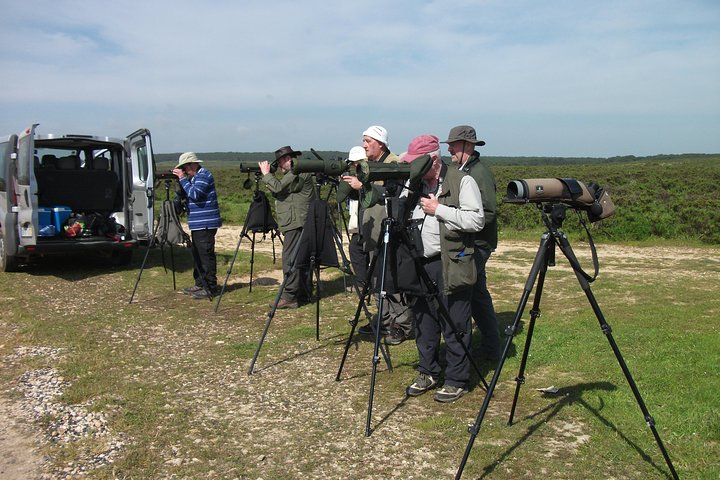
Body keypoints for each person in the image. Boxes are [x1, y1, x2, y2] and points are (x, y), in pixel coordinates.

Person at [400, 134, 484, 403]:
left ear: (433, 160)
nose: (413, 168)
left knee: (456, 321)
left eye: (416, 163)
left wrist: (440, 210)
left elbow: (476, 220)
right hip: (420, 262)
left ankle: (457, 379)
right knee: (424, 320)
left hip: (451, 261)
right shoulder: (414, 184)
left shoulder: (463, 181)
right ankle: (428, 371)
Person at [341, 125, 415, 345]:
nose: (364, 145)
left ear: (380, 143)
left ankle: (402, 324)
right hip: (371, 231)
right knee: (377, 280)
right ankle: (384, 320)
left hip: (388, 230)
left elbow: (393, 193)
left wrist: (362, 185)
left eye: (368, 141)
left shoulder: (393, 164)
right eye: (363, 140)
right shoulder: (368, 165)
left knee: (390, 278)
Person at [442, 125, 500, 361]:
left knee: (473, 295)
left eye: (453, 145)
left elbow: (487, 212)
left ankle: (489, 348)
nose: (449, 149)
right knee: (477, 293)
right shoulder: (461, 169)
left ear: (467, 146)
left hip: (477, 243)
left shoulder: (479, 174)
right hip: (470, 242)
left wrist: (457, 221)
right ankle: (490, 346)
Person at [259, 146, 316, 309]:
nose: (285, 162)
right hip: (297, 220)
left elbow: (277, 187)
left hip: (296, 221)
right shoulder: (296, 174)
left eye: (286, 158)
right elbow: (281, 192)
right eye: (282, 160)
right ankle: (303, 293)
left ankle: (290, 295)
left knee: (290, 259)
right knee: (300, 258)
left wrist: (266, 174)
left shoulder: (297, 171)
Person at [173, 152, 222, 300]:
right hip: (198, 223)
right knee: (198, 255)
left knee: (205, 256)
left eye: (185, 168)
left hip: (205, 223)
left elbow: (195, 194)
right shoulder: (194, 177)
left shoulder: (203, 175)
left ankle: (210, 288)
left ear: (192, 164)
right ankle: (200, 283)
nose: (185, 171)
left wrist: (182, 179)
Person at [345, 146, 369, 286]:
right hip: (361, 221)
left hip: (369, 220)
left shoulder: (369, 173)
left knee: (359, 248)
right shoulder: (358, 174)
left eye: (357, 162)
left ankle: (365, 282)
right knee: (355, 248)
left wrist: (360, 186)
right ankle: (363, 282)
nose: (355, 165)